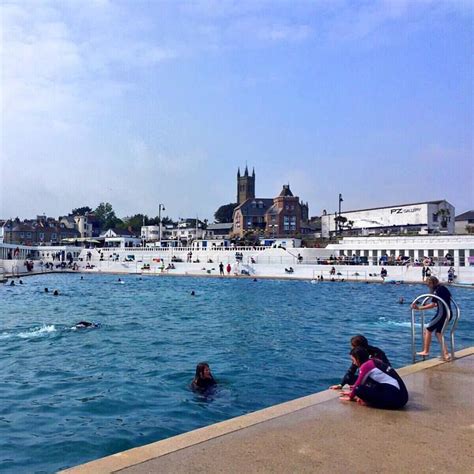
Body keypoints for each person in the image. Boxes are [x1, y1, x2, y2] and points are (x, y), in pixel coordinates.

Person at [339, 347, 408, 409]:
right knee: (364, 386)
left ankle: (371, 403)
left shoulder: (365, 366)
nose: (354, 363)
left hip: (397, 399)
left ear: (358, 359)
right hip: (402, 397)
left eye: (353, 360)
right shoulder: (374, 361)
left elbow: (358, 383)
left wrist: (351, 396)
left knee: (358, 389)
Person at [411, 276, 452, 360]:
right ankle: (446, 354)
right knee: (438, 333)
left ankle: (426, 351)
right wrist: (424, 305)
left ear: (431, 283)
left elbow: (433, 305)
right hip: (448, 312)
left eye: (428, 284)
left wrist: (419, 308)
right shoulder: (443, 288)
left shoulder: (437, 290)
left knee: (428, 329)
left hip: (442, 314)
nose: (428, 286)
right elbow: (439, 303)